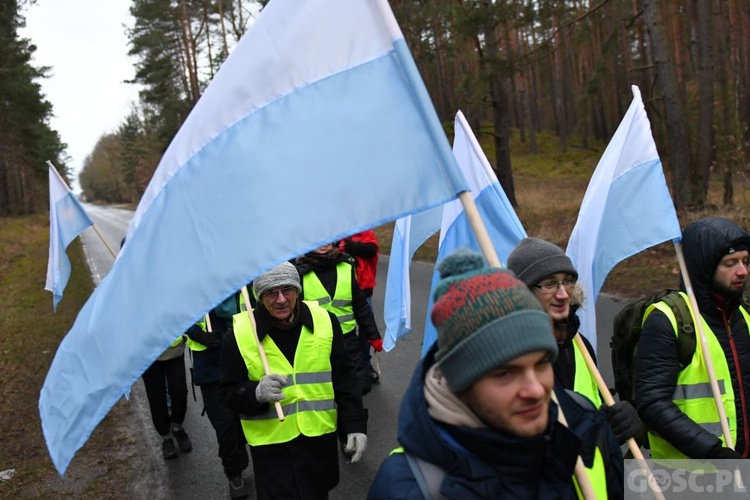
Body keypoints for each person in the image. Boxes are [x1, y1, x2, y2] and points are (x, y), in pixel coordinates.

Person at [368, 248, 623, 498]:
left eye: (542, 363)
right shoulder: (408, 487)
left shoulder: (586, 427)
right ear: (460, 382)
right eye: (505, 373)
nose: (535, 390)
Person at [219, 262, 368, 500]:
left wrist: (355, 425)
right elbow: (227, 393)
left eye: (287, 290)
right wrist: (254, 393)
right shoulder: (239, 335)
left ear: (297, 290)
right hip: (272, 452)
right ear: (258, 297)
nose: (280, 299)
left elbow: (345, 379)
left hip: (317, 444)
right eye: (270, 292)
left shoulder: (325, 321)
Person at [507, 237, 642, 445]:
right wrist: (594, 432)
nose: (563, 294)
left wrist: (619, 422)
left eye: (567, 281)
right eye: (550, 284)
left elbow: (592, 413)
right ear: (524, 292)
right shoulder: (511, 355)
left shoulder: (580, 345)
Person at [635, 216, 750, 460]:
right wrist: (713, 452)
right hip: (689, 477)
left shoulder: (745, 315)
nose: (743, 271)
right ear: (705, 267)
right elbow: (653, 404)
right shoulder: (668, 320)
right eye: (730, 263)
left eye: (745, 261)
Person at [184, 295, 250, 499]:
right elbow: (181, 318)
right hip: (211, 370)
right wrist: (199, 335)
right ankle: (234, 474)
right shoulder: (194, 288)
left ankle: (240, 453)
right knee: (225, 427)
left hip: (244, 364)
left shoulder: (243, 283)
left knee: (245, 423)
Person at [295, 243, 383, 396]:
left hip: (348, 341)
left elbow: (360, 304)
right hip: (316, 343)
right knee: (324, 391)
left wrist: (373, 335)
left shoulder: (346, 265)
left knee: (361, 386)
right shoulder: (299, 272)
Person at [141, 335, 193, 460]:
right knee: (156, 397)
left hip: (173, 349)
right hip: (146, 355)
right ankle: (166, 438)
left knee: (179, 391)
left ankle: (177, 427)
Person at [339, 230, 381, 383]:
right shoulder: (335, 231)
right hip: (341, 289)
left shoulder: (365, 231)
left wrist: (349, 247)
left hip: (363, 288)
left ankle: (365, 363)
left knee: (365, 327)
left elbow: (371, 250)